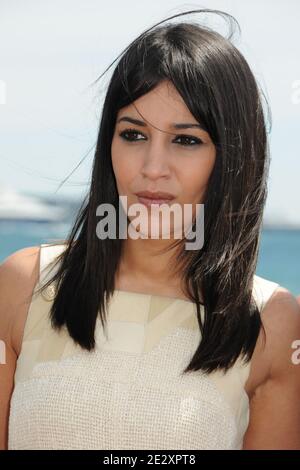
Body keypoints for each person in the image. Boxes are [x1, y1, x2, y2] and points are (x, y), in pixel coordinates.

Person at [1, 8, 300, 450]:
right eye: (134, 134)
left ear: (233, 159)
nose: (152, 168)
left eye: (186, 140)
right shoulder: (21, 287)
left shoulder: (272, 324)